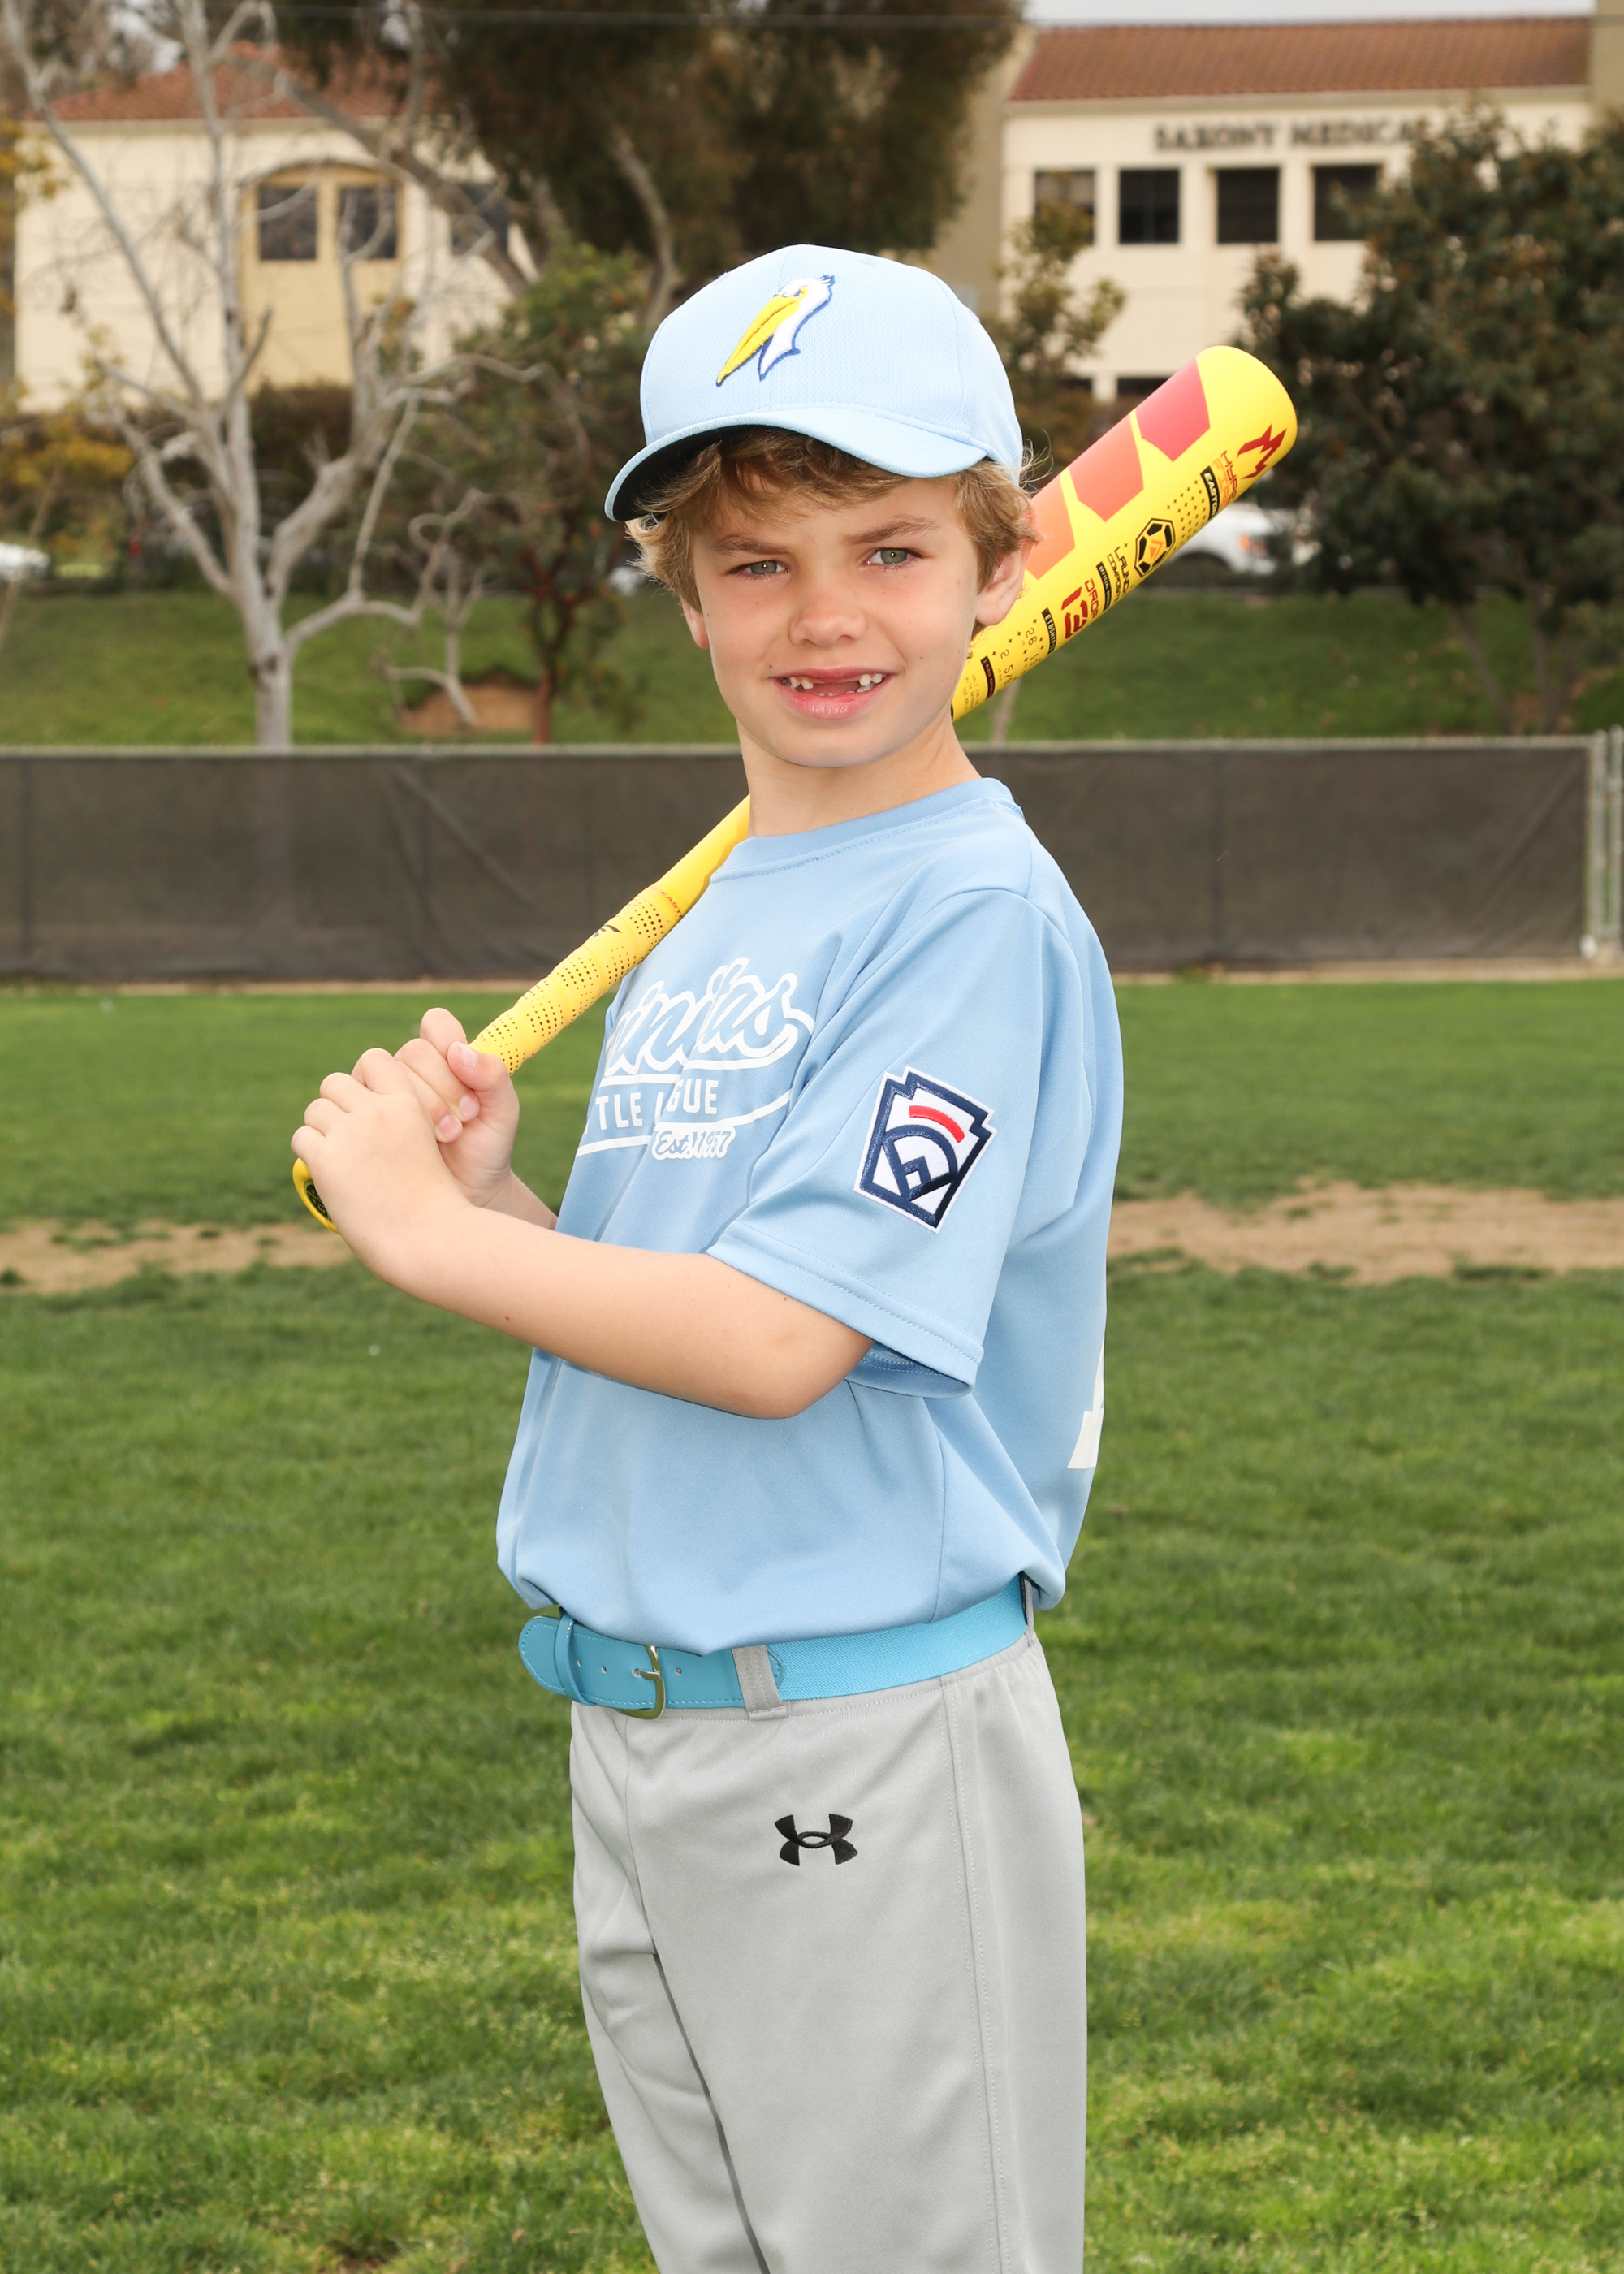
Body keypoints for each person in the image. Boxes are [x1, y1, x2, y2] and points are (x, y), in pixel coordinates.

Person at [292, 244, 1123, 2274]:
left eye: (890, 548)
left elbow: (773, 1343)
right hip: (649, 1728)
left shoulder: (970, 913)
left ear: (1001, 566)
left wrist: (426, 1242)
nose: (825, 613)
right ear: (682, 595)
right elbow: (673, 1300)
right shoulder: (741, 894)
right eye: (756, 562)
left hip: (856, 1731)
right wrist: (508, 1210)